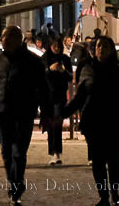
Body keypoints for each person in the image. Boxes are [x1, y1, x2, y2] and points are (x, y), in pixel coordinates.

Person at [62, 36, 119, 205]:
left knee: (114, 159)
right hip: (93, 122)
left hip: (114, 122)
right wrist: (64, 112)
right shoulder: (88, 69)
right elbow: (80, 96)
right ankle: (103, 196)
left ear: (111, 50)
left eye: (105, 46)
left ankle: (114, 191)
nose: (101, 49)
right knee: (98, 162)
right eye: (99, 46)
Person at [0, 25, 46, 206]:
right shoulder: (0, 60)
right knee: (6, 152)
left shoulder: (33, 62)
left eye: (7, 37)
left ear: (17, 40)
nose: (3, 41)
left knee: (19, 152)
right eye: (3, 37)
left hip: (24, 112)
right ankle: (14, 182)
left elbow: (43, 88)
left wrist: (46, 113)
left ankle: (16, 188)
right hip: (4, 112)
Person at [42, 36, 72, 166]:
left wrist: (63, 70)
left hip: (60, 95)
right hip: (47, 96)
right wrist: (50, 69)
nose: (56, 48)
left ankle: (57, 153)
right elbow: (40, 75)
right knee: (50, 125)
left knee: (57, 123)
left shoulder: (65, 59)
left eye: (58, 46)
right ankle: (52, 153)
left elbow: (70, 77)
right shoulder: (44, 59)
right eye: (54, 45)